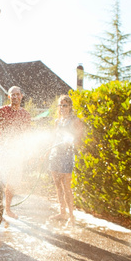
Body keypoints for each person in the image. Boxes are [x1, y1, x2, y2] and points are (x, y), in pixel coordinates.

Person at [0, 86, 31, 220]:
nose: (15, 97)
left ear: (21, 96)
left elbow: (27, 135)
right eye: (12, 95)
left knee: (12, 182)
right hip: (3, 150)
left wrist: (28, 152)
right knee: (1, 179)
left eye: (17, 94)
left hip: (17, 152)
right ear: (8, 96)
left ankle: (7, 209)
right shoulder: (1, 111)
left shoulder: (25, 114)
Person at [48, 95, 83, 226]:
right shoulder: (57, 121)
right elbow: (53, 139)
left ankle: (72, 216)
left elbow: (79, 137)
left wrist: (72, 141)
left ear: (70, 107)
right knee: (57, 185)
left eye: (65, 105)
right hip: (55, 154)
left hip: (66, 155)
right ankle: (62, 212)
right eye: (60, 105)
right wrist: (47, 152)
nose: (62, 108)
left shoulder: (75, 121)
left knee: (66, 186)